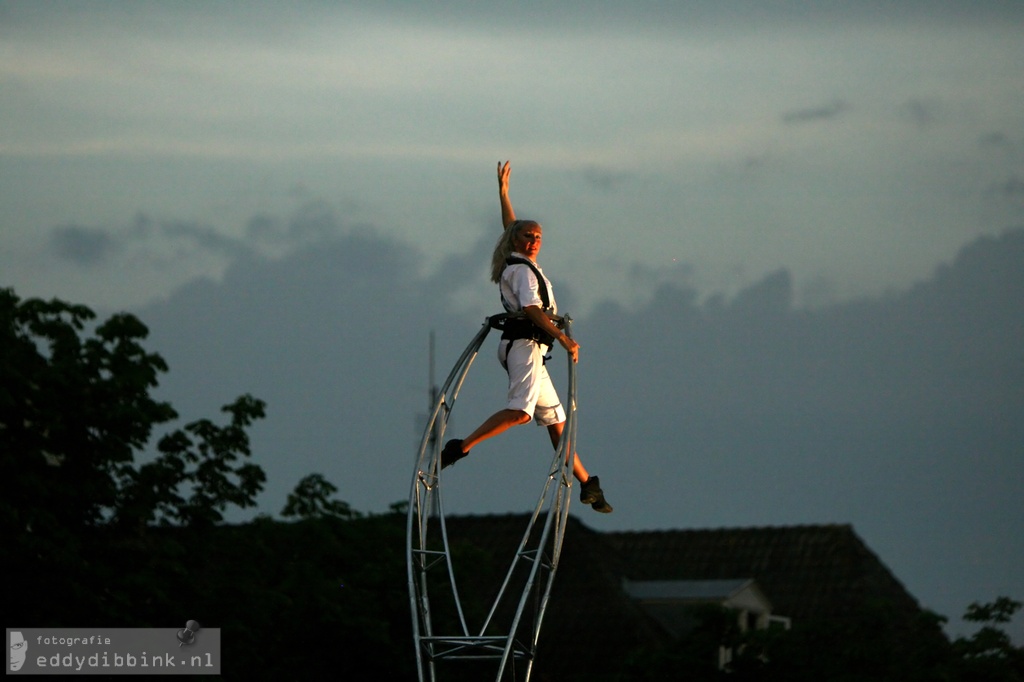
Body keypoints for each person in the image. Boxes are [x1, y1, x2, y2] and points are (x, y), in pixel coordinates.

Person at [441, 161, 612, 513]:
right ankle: (461, 446)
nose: (533, 241)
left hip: (531, 348)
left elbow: (510, 227)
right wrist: (564, 340)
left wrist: (504, 194)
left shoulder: (521, 262)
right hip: (524, 345)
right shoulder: (521, 272)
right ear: (515, 242)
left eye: (538, 237)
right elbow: (533, 310)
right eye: (527, 236)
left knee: (556, 423)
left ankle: (587, 484)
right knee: (520, 413)